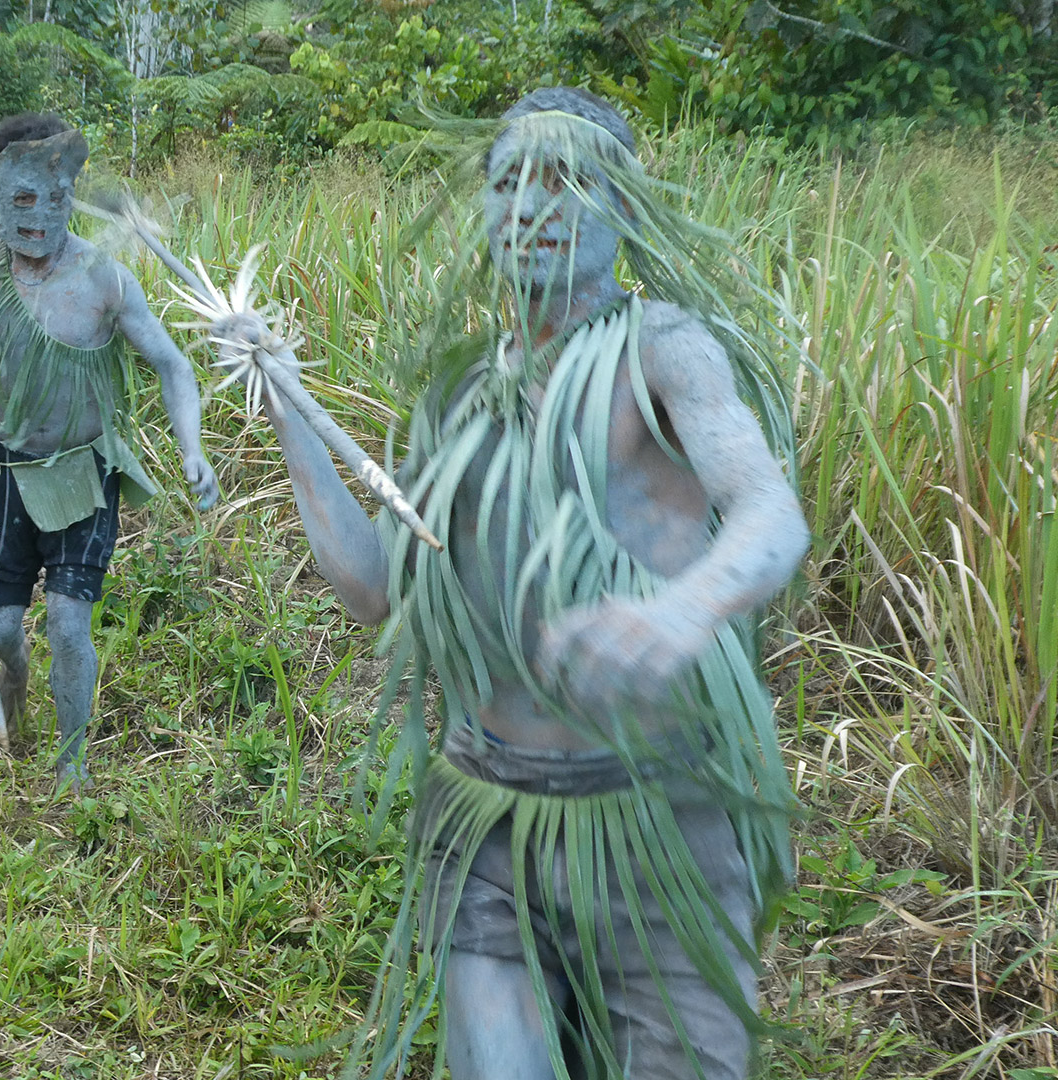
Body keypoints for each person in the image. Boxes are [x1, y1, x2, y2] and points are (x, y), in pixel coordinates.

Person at [245, 88, 807, 1078]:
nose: (530, 208)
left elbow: (769, 512)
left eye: (566, 182)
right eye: (507, 182)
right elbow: (378, 591)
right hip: (489, 826)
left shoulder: (664, 352)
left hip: (658, 824)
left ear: (624, 208)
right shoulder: (461, 397)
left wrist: (683, 609)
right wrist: (288, 409)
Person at [0, 113, 220, 791]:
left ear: (70, 196)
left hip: (81, 476)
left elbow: (172, 365)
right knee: (0, 629)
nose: (39, 216)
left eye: (55, 199)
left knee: (69, 627)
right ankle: (14, 678)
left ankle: (71, 761)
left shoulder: (103, 279)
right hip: (5, 473)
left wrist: (192, 449)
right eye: (22, 200)